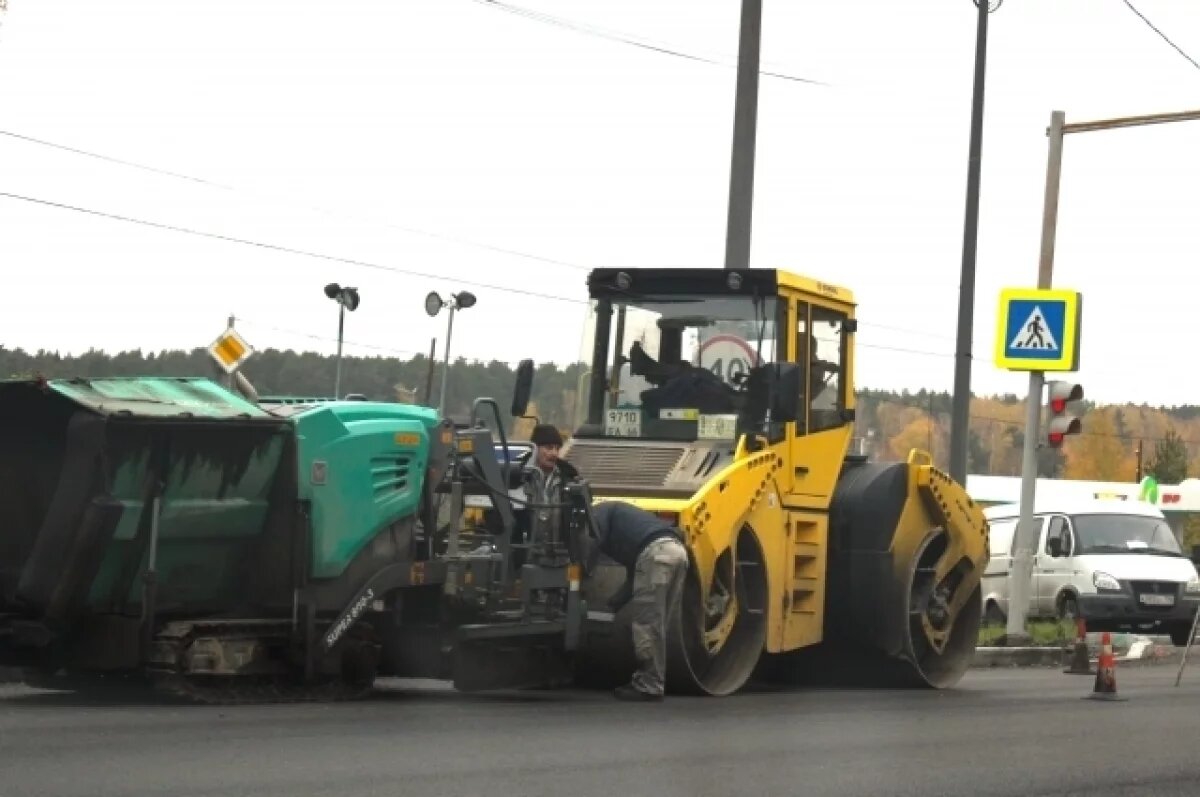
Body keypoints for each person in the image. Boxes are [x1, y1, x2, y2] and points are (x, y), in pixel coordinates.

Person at [587, 500, 689, 702]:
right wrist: (614, 604)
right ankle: (653, 680)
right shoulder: (626, 521)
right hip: (677, 553)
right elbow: (636, 574)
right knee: (657, 626)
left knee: (647, 625)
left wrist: (583, 571)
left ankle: (649, 686)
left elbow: (593, 541)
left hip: (657, 555)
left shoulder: (597, 514)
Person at [521, 424, 578, 542]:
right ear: (534, 449)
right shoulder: (517, 477)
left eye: (557, 448)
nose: (554, 453)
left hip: (559, 555)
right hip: (523, 553)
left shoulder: (569, 479)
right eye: (549, 447)